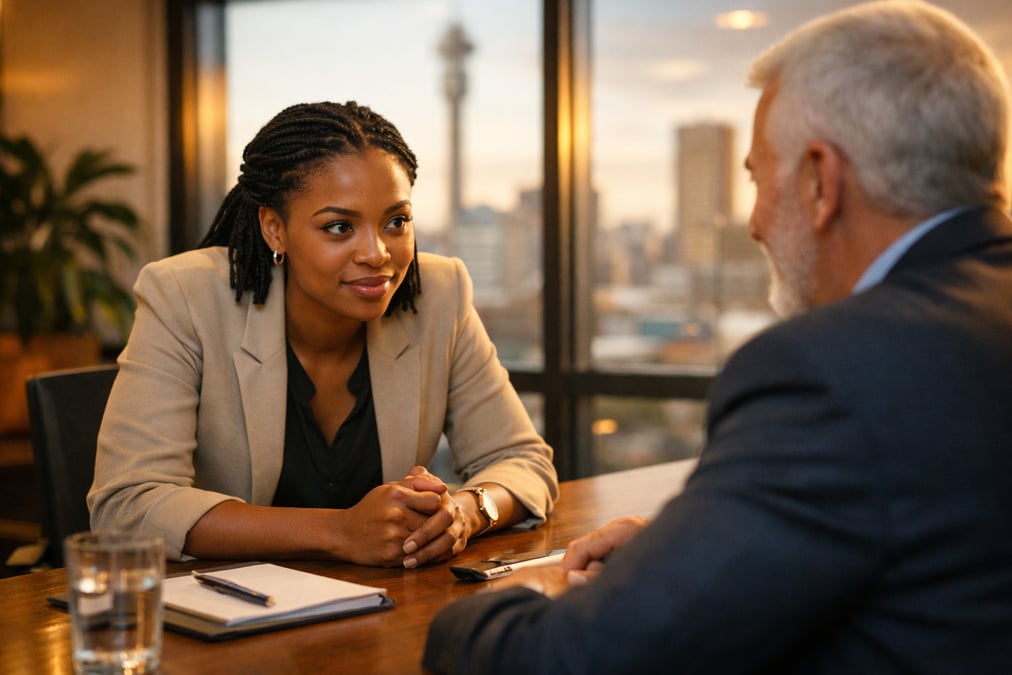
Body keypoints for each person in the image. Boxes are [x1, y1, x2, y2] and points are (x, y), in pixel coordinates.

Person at [423, 1, 1012, 672]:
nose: (755, 223)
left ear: (822, 181)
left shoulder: (832, 373)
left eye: (758, 179)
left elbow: (569, 659)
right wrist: (698, 548)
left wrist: (480, 611)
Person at [88, 101, 558, 567]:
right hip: (228, 612)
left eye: (396, 221)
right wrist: (339, 532)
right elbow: (129, 504)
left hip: (382, 607)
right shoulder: (185, 295)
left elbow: (523, 459)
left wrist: (468, 511)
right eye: (339, 227)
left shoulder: (438, 293)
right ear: (275, 229)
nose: (376, 253)